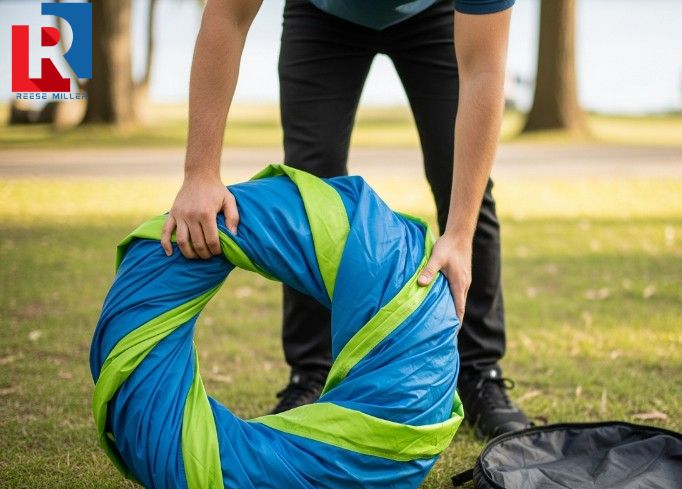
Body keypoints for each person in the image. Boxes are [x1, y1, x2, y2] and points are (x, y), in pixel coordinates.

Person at [160, 0, 530, 439]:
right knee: (310, 186)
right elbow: (226, 15)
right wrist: (200, 172)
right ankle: (310, 374)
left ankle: (479, 373)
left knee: (466, 191)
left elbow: (483, 71)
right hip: (322, 14)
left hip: (435, 13)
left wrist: (460, 231)